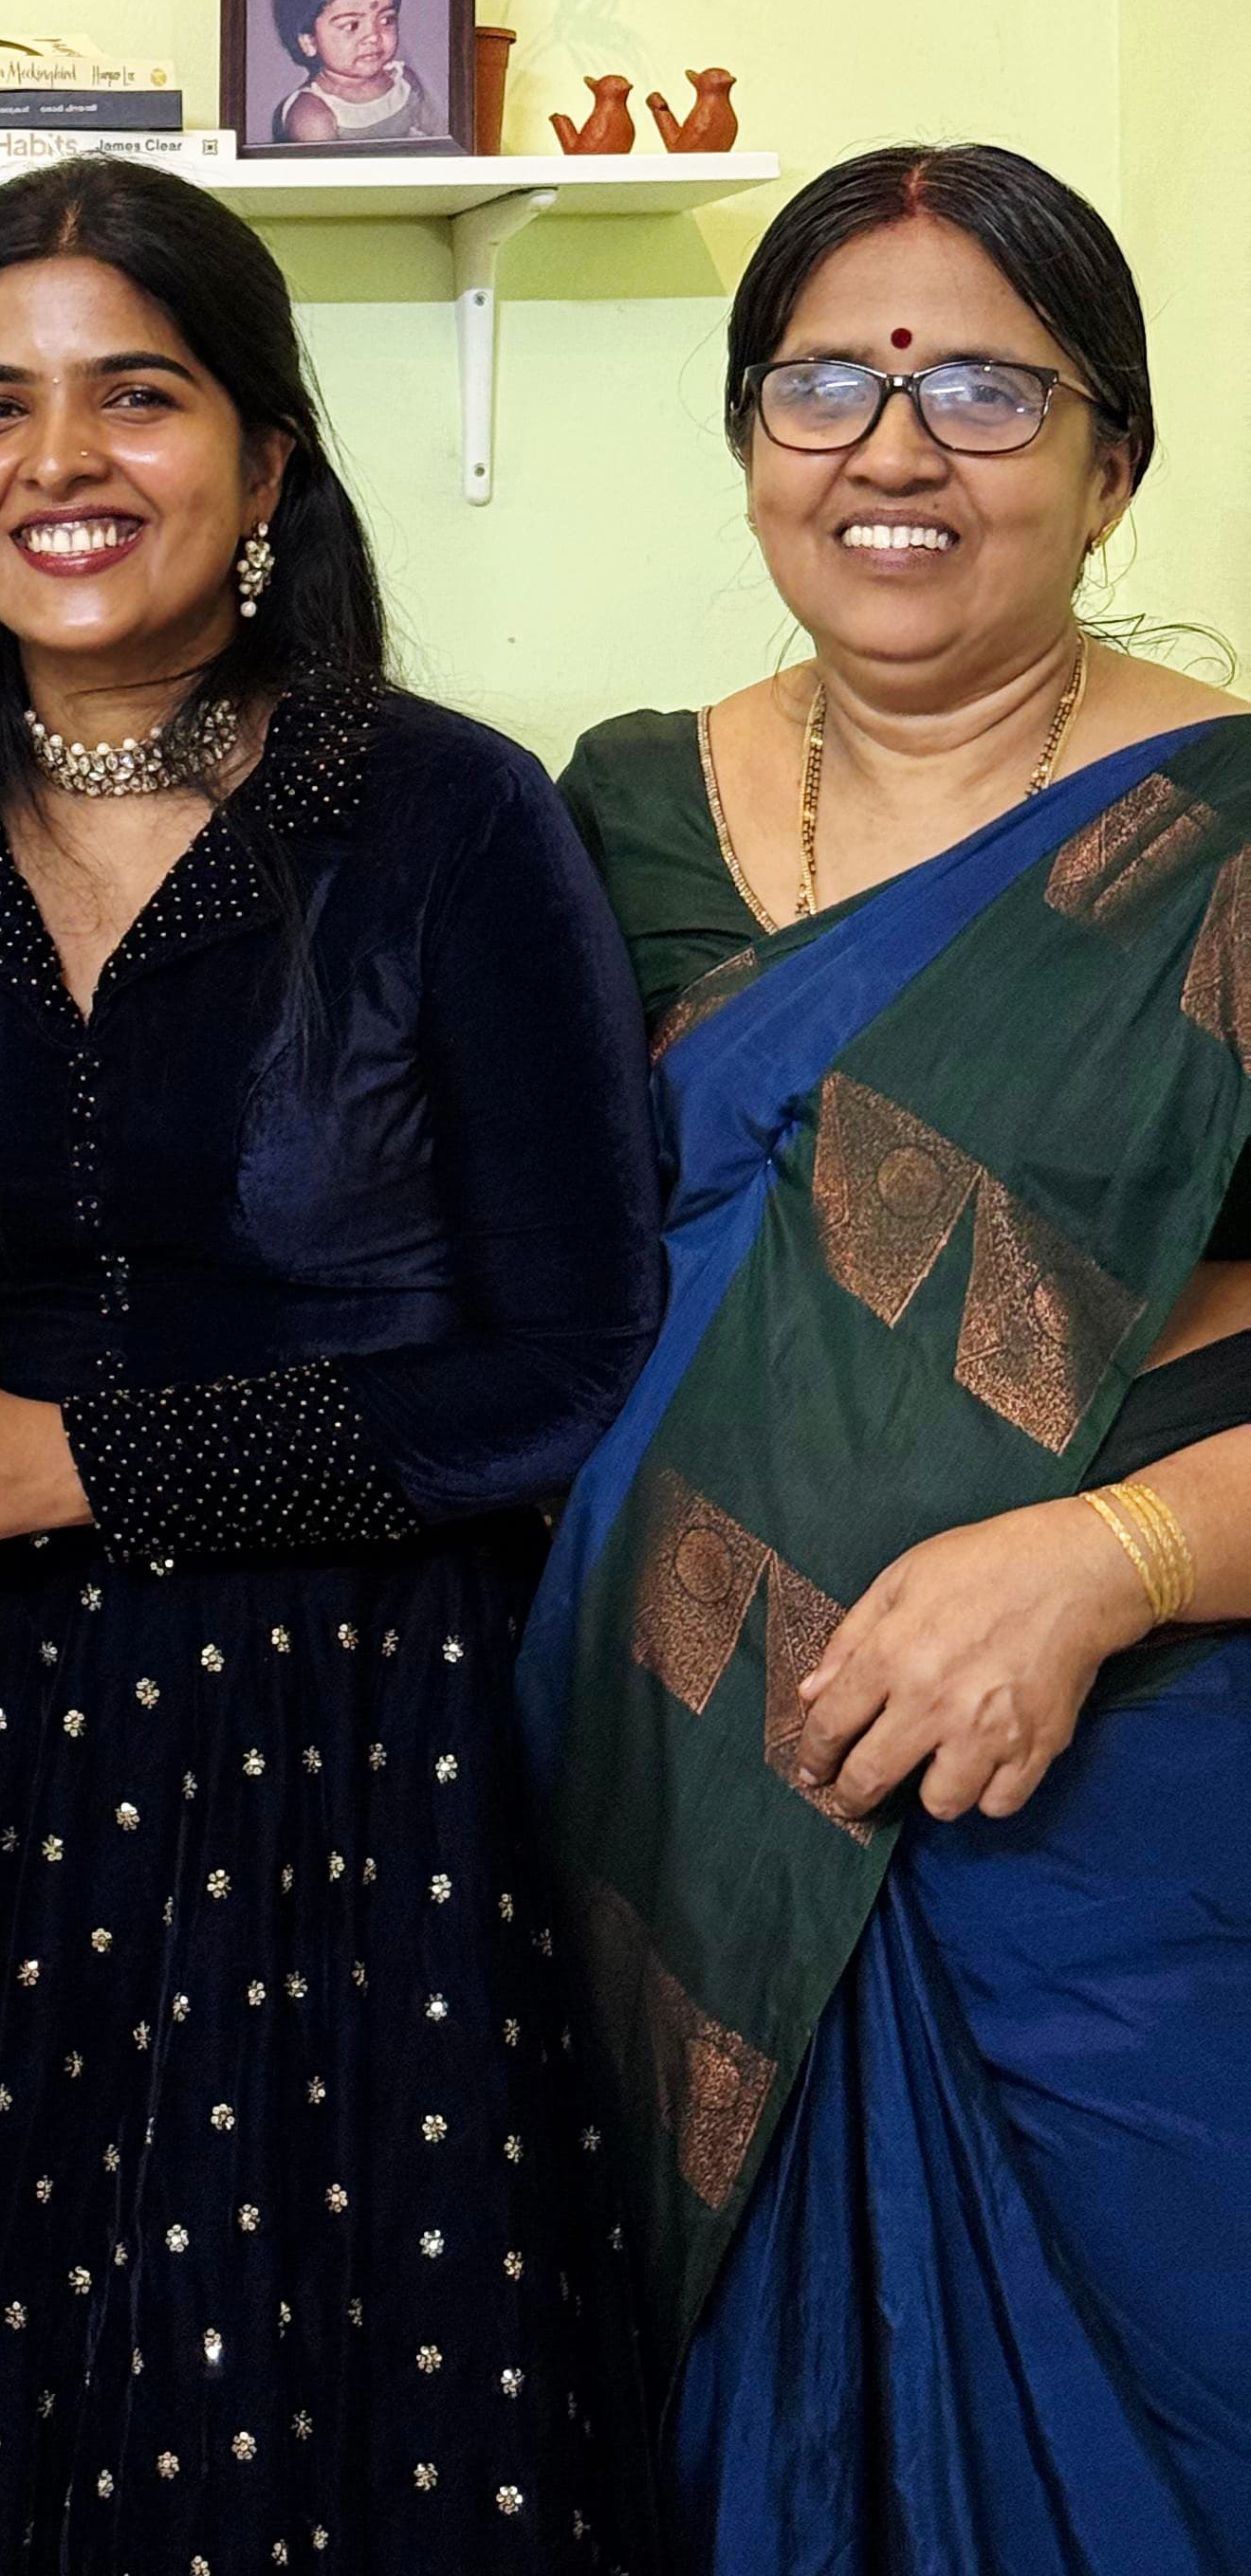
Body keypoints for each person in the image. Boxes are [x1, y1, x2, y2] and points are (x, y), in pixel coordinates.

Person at [0, 155, 666, 2571]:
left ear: (268, 457)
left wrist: (69, 1462)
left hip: (363, 1775)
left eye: (138, 395)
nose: (60, 460)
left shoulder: (452, 821)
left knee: (349, 2446)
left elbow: (566, 1361)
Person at [533, 143, 1251, 2572]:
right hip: (674, 1857)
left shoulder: (1235, 836)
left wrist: (1106, 1554)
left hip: (1118, 1880)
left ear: (1112, 457)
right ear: (751, 438)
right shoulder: (616, 816)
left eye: (981, 387)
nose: (895, 449)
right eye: (827, 381)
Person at [269, 0, 450, 146]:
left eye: (386, 20)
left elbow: (441, 140)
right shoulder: (312, 115)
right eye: (352, 25)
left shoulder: (405, 82)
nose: (373, 36)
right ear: (309, 42)